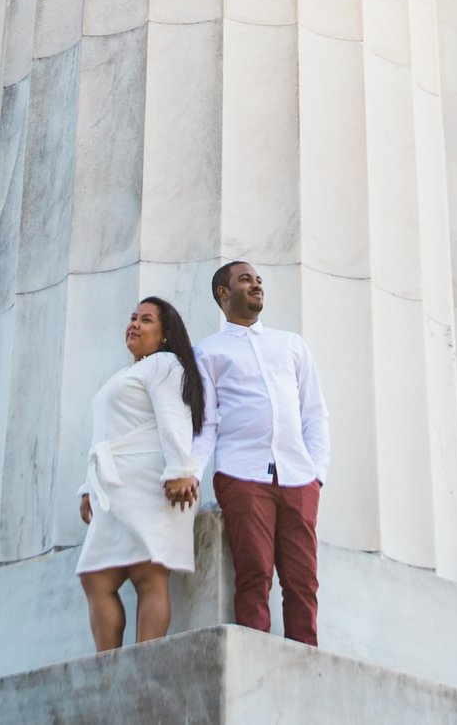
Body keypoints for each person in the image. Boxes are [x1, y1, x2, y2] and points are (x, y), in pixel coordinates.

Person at [195, 259, 329, 645]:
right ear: (224, 293)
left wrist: (317, 473)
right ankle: (257, 657)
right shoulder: (208, 352)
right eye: (245, 280)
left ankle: (306, 662)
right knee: (254, 573)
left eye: (258, 280)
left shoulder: (290, 344)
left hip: (298, 478)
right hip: (242, 474)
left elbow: (315, 412)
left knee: (303, 579)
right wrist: (191, 471)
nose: (256, 285)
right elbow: (204, 423)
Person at [77, 296, 205, 652]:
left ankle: (144, 660)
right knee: (95, 576)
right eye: (133, 317)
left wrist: (181, 469)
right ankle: (109, 664)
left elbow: (173, 417)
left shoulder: (165, 364)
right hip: (117, 483)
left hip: (152, 481)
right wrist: (88, 487)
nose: (134, 324)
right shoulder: (126, 373)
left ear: (165, 335)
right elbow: (104, 432)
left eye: (146, 320)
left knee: (148, 573)